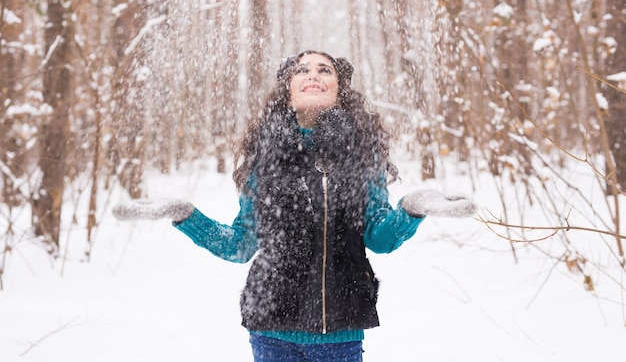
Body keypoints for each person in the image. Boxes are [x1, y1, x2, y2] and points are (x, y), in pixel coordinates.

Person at [113, 50, 477, 362]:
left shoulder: (360, 155)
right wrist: (185, 215)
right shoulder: (267, 157)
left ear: (339, 90)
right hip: (271, 327)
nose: (313, 75)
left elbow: (379, 238)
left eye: (324, 69)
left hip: (340, 330)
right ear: (288, 90)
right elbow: (240, 245)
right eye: (302, 70)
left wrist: (412, 209)